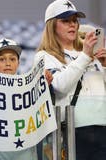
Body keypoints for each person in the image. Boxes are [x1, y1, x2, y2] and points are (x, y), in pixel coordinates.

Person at [35, 0, 106, 160]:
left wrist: (105, 66)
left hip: (103, 126)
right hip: (72, 130)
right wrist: (86, 56)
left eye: (75, 20)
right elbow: (59, 86)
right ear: (52, 25)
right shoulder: (44, 56)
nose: (72, 25)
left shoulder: (92, 52)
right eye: (65, 21)